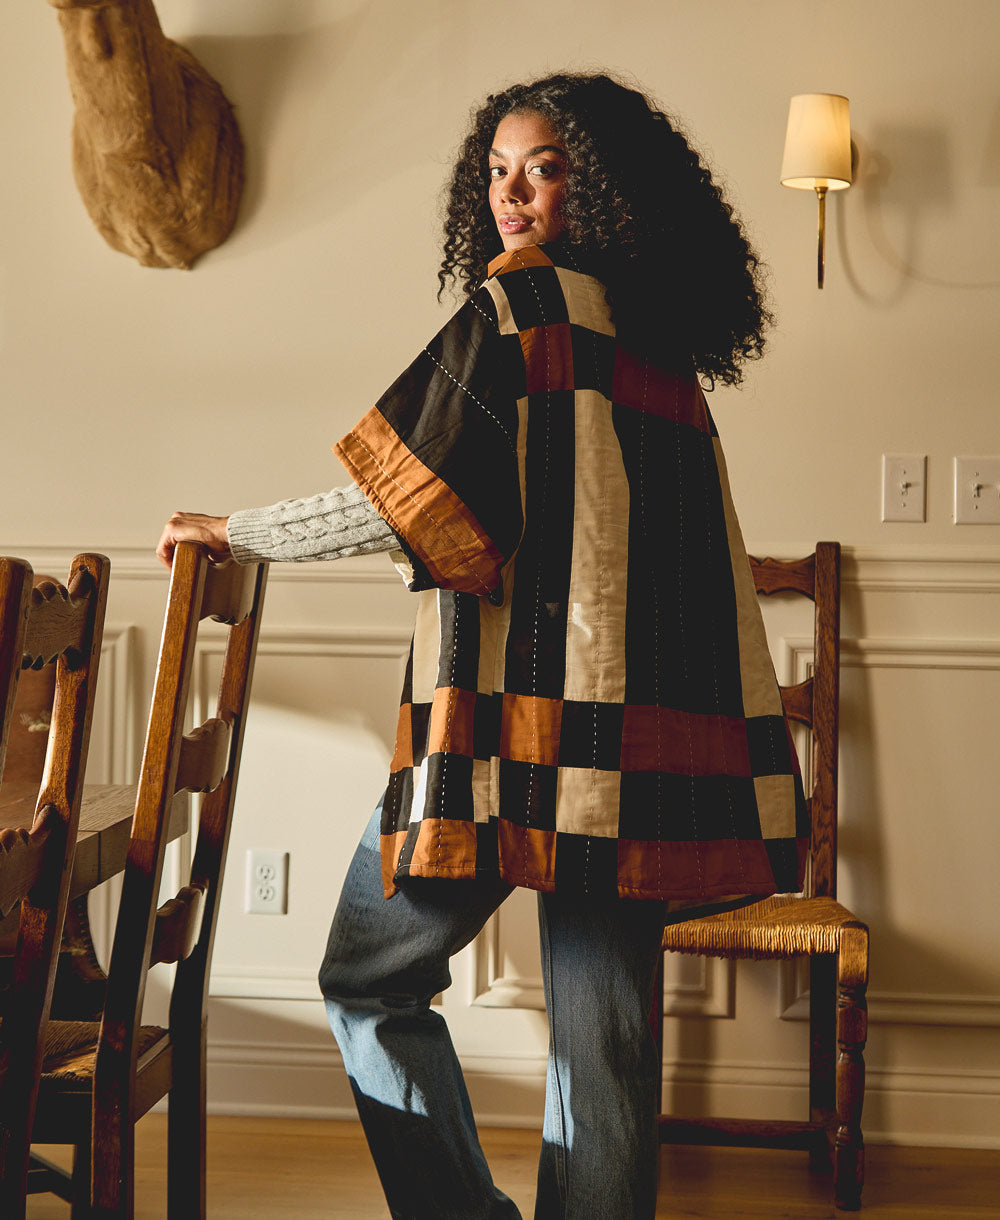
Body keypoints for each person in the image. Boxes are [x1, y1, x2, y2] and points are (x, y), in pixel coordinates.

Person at [157, 72, 807, 1220]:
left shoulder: (520, 310)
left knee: (366, 972)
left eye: (542, 166)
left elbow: (402, 500)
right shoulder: (662, 351)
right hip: (641, 748)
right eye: (497, 170)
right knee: (603, 1041)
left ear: (594, 184)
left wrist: (234, 529)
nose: (512, 192)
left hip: (519, 725)